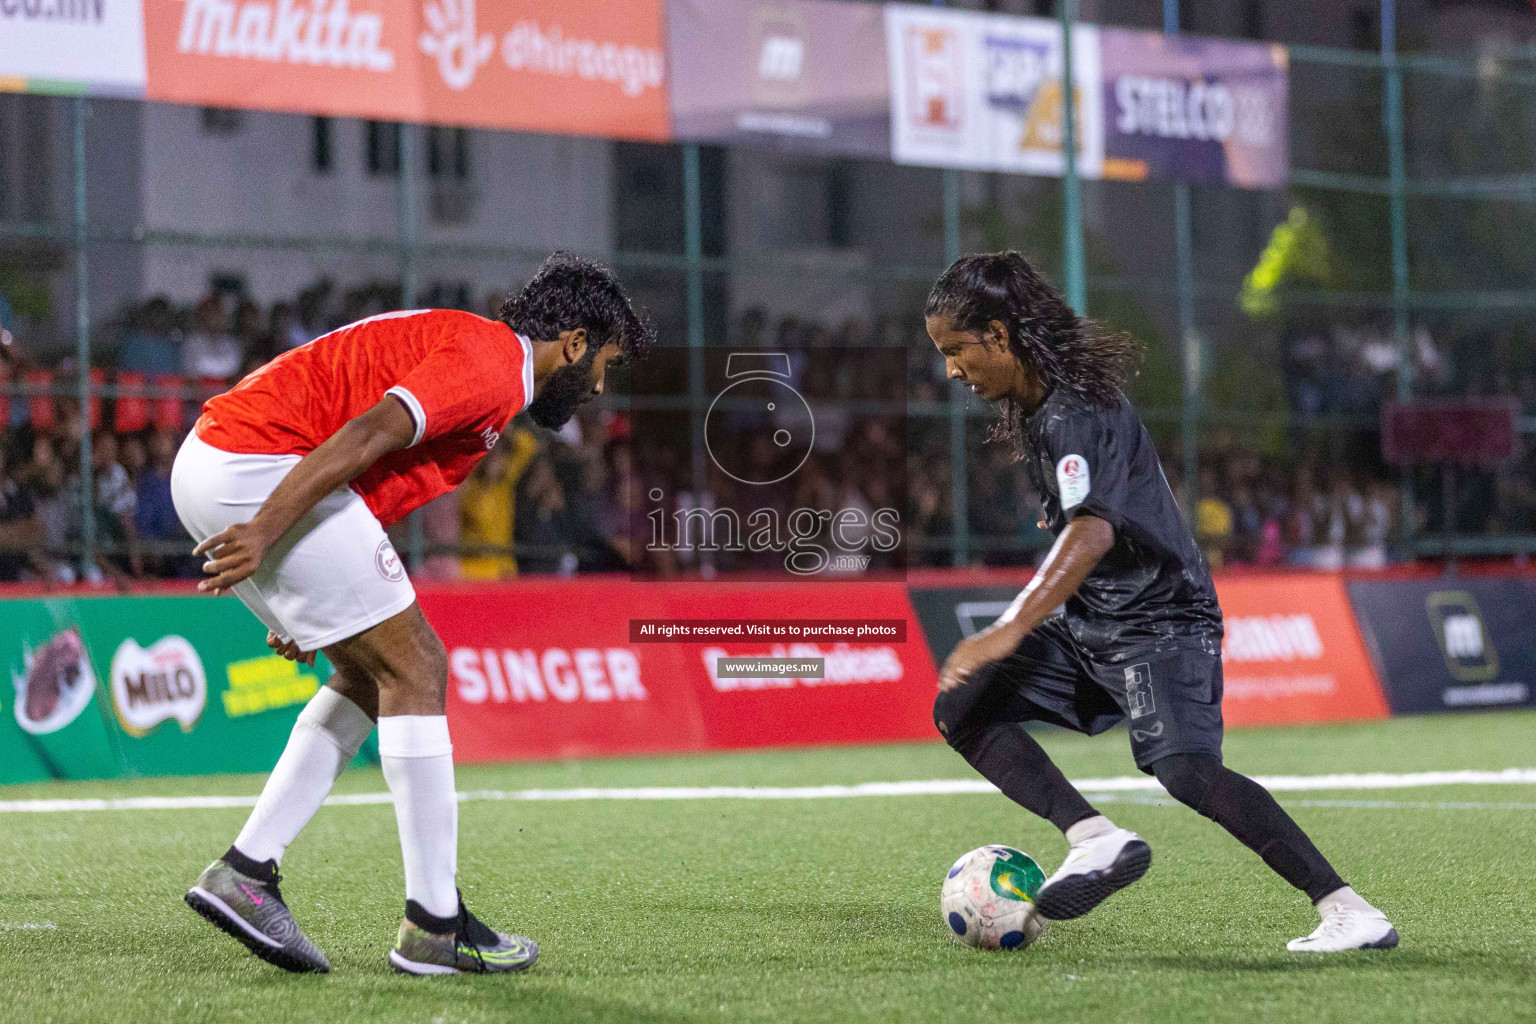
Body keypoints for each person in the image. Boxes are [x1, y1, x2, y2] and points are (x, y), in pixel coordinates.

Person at [172, 252, 653, 975]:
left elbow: (364, 481)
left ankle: (247, 872)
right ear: (575, 344)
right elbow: (368, 433)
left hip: (233, 464)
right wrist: (271, 532)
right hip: (258, 467)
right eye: (605, 365)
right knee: (421, 665)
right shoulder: (494, 363)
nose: (599, 387)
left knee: (372, 677)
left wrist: (298, 592)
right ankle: (432, 923)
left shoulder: (484, 362)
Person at [924, 251, 1396, 953]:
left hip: (1160, 622)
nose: (952, 370)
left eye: (956, 350)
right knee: (963, 706)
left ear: (998, 334)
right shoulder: (1045, 408)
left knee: (1186, 771)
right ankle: (1094, 839)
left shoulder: (1072, 410)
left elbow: (1092, 530)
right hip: (1100, 624)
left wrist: (1008, 626)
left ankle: (1349, 910)